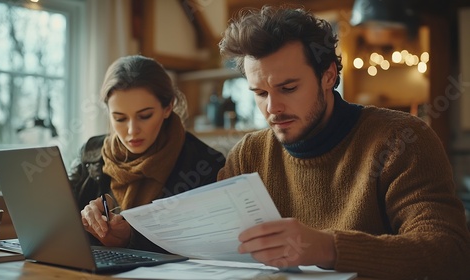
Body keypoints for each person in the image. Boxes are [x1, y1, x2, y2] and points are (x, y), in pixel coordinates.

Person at [217, 5, 470, 279]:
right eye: (260, 93)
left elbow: (448, 253)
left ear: (328, 76)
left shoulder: (401, 140)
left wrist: (328, 248)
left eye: (288, 88)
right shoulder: (247, 154)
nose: (273, 107)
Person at [69, 55, 226, 253]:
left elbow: (208, 245)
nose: (132, 130)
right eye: (119, 118)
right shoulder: (90, 154)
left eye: (145, 116)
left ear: (168, 107)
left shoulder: (205, 164)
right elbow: (59, 226)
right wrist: (84, 220)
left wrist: (130, 239)